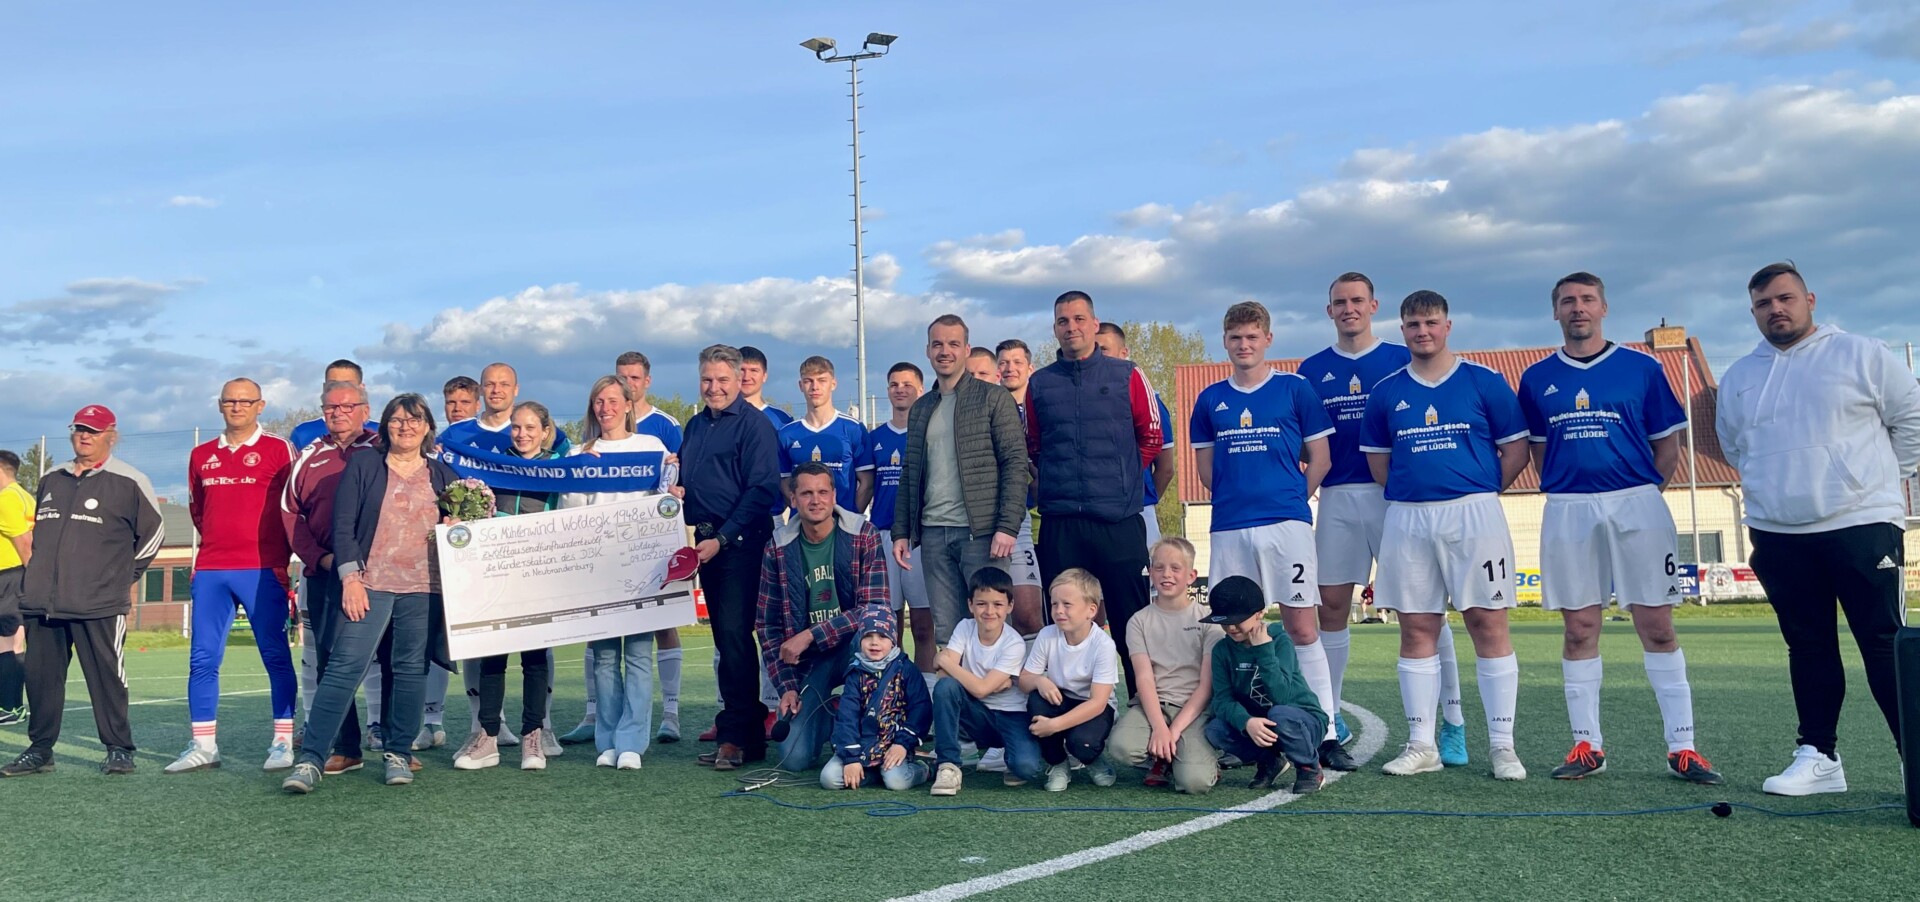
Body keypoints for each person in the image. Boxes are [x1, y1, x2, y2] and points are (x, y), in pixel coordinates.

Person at [1716, 261, 1920, 796]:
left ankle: (1916, 761)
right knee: (1807, 645)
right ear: (1753, 311)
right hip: (1778, 532)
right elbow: (1735, 447)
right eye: (1763, 303)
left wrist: (1874, 482)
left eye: (1785, 298)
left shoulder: (1862, 354)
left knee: (1883, 643)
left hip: (1860, 524)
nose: (1775, 310)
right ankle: (1819, 756)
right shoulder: (1739, 377)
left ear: (1809, 300)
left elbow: (1912, 419)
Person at [1518, 272, 1723, 785]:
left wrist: (1640, 494)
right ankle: (1587, 745)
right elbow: (1539, 450)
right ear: (1556, 312)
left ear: (1604, 308)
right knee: (1579, 628)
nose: (1578, 308)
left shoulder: (1643, 368)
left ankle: (1683, 747)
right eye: (1568, 301)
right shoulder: (1537, 378)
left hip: (1636, 503)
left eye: (1587, 299)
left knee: (1657, 626)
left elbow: (1668, 447)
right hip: (1569, 506)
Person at [1361, 290, 1530, 781]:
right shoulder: (1387, 392)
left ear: (1447, 326)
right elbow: (1379, 463)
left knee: (1488, 625)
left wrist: (1477, 490)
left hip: (1474, 515)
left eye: (1431, 322)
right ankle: (1422, 745)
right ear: (1402, 330)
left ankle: (1502, 746)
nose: (1423, 332)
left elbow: (1515, 451)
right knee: (1417, 629)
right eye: (1413, 325)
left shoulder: (1484, 381)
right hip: (1409, 517)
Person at [1299, 272, 1466, 758]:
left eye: (1357, 300)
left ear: (1374, 306)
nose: (1348, 308)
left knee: (1424, 611)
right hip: (1336, 496)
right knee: (1331, 606)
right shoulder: (1312, 369)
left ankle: (1452, 720)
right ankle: (1330, 717)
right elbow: (1304, 439)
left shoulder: (1401, 358)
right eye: (1340, 302)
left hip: (1393, 498)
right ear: (1329, 310)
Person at [1190, 301, 1351, 773]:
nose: (1244, 345)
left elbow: (1321, 458)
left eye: (1252, 337)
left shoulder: (1294, 389)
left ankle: (1325, 732)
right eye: (1235, 337)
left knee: (1302, 627)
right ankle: (1255, 736)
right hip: (1231, 527)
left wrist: (1293, 498)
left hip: (1287, 526)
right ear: (1225, 341)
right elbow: (1206, 472)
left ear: (1267, 339)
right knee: (1234, 627)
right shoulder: (1210, 400)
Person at [283, 394, 459, 793]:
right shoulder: (364, 465)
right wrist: (350, 579)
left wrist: (459, 525)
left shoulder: (443, 475)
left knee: (410, 671)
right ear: (385, 426)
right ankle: (311, 759)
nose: (405, 426)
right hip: (369, 585)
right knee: (343, 667)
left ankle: (398, 752)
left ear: (427, 427)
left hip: (424, 590)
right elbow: (343, 525)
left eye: (414, 420)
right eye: (397, 419)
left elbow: (461, 530)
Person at [2, 405, 163, 778]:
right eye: (79, 429)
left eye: (93, 430)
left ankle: (119, 749)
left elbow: (153, 536)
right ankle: (40, 750)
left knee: (107, 678)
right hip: (42, 602)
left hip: (99, 603)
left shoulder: (130, 480)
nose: (85, 436)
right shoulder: (52, 478)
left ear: (111, 435)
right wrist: (35, 580)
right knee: (41, 680)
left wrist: (120, 579)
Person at [1025, 291, 1162, 695]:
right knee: (1064, 624)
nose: (1072, 328)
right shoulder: (1040, 383)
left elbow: (1151, 437)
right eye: (1063, 321)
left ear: (1094, 324)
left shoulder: (1128, 375)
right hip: (1061, 523)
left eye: (1079, 319)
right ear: (1055, 329)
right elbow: (1034, 444)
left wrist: (1120, 478)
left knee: (1131, 623)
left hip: (1118, 521)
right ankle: (1071, 712)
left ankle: (1143, 705)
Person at [168, 378, 300, 774]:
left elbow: (294, 505)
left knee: (275, 655)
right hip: (212, 568)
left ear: (260, 405)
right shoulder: (201, 454)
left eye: (245, 401)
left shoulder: (279, 449)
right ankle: (203, 745)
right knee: (202, 658)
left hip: (263, 568)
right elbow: (199, 510)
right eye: (229, 401)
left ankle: (283, 741)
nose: (237, 407)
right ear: (220, 405)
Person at [566, 351, 687, 745]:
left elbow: (664, 500)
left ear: (628, 404)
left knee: (637, 655)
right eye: (599, 402)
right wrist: (577, 474)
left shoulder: (652, 446)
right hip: (598, 569)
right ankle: (606, 739)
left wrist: (673, 495)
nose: (606, 408)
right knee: (603, 659)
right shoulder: (579, 453)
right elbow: (570, 513)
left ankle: (633, 740)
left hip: (639, 568)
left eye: (613, 401)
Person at [894, 315, 1028, 648]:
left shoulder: (993, 399)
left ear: (967, 350)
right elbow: (910, 471)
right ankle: (952, 685)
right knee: (948, 635)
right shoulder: (921, 408)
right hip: (933, 535)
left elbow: (1015, 464)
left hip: (981, 534)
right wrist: (901, 531)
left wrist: (1007, 526)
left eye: (953, 344)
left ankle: (997, 686)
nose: (945, 351)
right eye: (937, 344)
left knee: (991, 629)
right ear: (928, 350)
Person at [683, 344, 783, 770]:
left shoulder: (755, 425)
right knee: (726, 641)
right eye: (707, 379)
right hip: (706, 545)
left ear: (739, 379)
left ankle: (738, 736)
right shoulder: (694, 425)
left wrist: (722, 539)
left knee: (736, 637)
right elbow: (692, 483)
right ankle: (743, 732)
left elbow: (762, 490)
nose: (714, 387)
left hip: (741, 545)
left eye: (722, 379)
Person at [756, 462, 892, 772]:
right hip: (813, 661)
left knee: (871, 636)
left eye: (822, 492)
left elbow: (875, 607)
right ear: (793, 499)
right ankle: (832, 716)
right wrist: (787, 687)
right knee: (795, 759)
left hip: (856, 648)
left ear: (834, 496)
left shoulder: (863, 534)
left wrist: (810, 635)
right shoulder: (777, 547)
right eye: (806, 493)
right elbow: (768, 626)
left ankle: (868, 723)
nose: (815, 500)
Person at [454, 401, 566, 772]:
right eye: (516, 427)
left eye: (530, 427)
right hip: (497, 576)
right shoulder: (493, 465)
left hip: (538, 575)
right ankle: (488, 736)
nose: (522, 434)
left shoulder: (560, 469)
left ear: (545, 431)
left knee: (534, 658)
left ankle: (533, 737)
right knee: (493, 655)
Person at [280, 380, 382, 775]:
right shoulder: (309, 455)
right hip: (327, 574)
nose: (338, 413)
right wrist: (319, 559)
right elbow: (291, 514)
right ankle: (346, 746)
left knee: (391, 659)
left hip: (382, 574)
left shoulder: (382, 447)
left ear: (365, 410)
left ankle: (397, 745)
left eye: (347, 406)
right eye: (330, 407)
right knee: (330, 661)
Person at [1106, 537, 1221, 794]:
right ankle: (1162, 757)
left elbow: (1206, 686)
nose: (1166, 574)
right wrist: (1159, 727)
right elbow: (1144, 678)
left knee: (1195, 782)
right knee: (1122, 747)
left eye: (1175, 568)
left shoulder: (1208, 621)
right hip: (1153, 706)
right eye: (1159, 567)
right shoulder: (1138, 621)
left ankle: (1197, 758)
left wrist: (1174, 730)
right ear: (1151, 572)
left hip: (1193, 710)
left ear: (1191, 576)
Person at [1202, 575, 1329, 794]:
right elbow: (1221, 701)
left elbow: (1281, 696)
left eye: (1238, 619)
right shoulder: (1222, 650)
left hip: (1302, 722)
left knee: (1280, 713)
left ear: (1260, 613)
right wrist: (1246, 722)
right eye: (1224, 621)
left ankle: (1309, 767)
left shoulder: (1279, 641)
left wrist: (1263, 650)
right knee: (1215, 729)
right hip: (1260, 726)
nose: (1231, 627)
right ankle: (1270, 761)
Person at [929, 568, 1045, 796]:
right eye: (981, 604)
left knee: (1025, 768)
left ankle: (1010, 754)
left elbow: (979, 688)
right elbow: (943, 677)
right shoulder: (965, 627)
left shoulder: (1014, 643)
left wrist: (945, 660)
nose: (989, 611)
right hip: (978, 713)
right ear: (970, 605)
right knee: (945, 688)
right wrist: (984, 684)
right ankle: (948, 765)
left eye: (998, 604)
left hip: (1011, 715)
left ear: (1010, 606)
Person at [418, 374, 481, 749]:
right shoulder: (435, 448)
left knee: (477, 640)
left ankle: (484, 723)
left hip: (479, 557)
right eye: (451, 403)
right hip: (438, 555)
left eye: (464, 403)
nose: (457, 409)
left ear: (477, 405)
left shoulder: (491, 445)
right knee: (433, 639)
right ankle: (431, 721)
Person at [1020, 568, 1120, 791]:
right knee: (1037, 700)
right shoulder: (1047, 635)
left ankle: (1092, 758)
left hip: (1093, 707)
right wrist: (1039, 681)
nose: (1059, 611)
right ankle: (1058, 763)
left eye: (1067, 604)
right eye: (1054, 604)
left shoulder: (1103, 645)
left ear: (1091, 610)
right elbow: (1024, 681)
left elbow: (1098, 703)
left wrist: (1053, 726)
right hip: (1061, 699)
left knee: (1082, 743)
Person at [870, 362, 935, 677]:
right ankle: (889, 690)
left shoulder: (930, 433)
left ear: (920, 389)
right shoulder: (875, 437)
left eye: (907, 384)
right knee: (888, 624)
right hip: (884, 535)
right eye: (894, 384)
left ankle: (927, 689)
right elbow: (865, 487)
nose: (900, 390)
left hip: (919, 537)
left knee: (923, 625)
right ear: (887, 390)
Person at [821, 607, 931, 791]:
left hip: (893, 745)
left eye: (882, 637)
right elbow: (847, 717)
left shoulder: (906, 669)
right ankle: (871, 773)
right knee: (829, 779)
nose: (874, 643)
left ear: (893, 639)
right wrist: (851, 758)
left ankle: (924, 770)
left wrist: (903, 744)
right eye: (868, 636)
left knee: (897, 782)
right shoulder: (855, 672)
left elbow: (921, 709)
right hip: (860, 746)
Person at [1093, 323, 1175, 549]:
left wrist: (1142, 500)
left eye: (1105, 349)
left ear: (1124, 353)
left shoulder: (1150, 401)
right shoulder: (1078, 402)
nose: (1099, 356)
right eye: (1094, 350)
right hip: (1091, 513)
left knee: (1143, 571)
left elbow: (1166, 469)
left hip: (1138, 511)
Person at [993, 339, 1047, 637]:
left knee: (1045, 610)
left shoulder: (1044, 406)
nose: (1009, 368)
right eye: (1003, 362)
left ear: (1030, 368)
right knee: (1005, 612)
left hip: (1048, 521)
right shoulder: (991, 408)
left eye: (1016, 362)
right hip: (1014, 519)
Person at [777, 356, 874, 512]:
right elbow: (784, 483)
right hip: (802, 523)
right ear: (800, 386)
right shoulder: (787, 433)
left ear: (833, 384)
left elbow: (867, 483)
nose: (815, 387)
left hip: (843, 522)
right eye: (808, 381)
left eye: (822, 380)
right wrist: (804, 514)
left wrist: (850, 518)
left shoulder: (853, 428)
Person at [440, 362, 571, 456]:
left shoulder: (537, 430)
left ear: (516, 390)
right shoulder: (456, 432)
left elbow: (570, 462)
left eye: (504, 384)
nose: (496, 390)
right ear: (481, 390)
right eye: (489, 384)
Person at [0, 449, 33, 726]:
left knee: (7, 643)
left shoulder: (6, 499)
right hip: (16, 576)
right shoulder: (25, 496)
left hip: (10, 577)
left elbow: (24, 542)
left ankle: (10, 706)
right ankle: (12, 705)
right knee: (14, 642)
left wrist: (33, 577)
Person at [290, 359, 378, 450]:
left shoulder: (380, 432)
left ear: (361, 388)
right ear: (324, 387)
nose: (339, 389)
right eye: (333, 384)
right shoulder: (303, 433)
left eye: (348, 384)